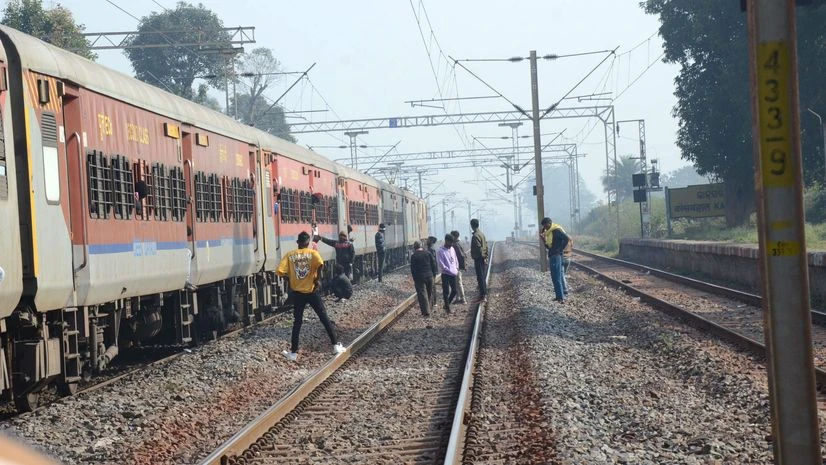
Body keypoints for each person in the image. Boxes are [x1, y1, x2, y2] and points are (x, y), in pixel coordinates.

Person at [276, 231, 346, 362]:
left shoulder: (290, 255)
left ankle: (293, 353)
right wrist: (316, 279)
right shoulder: (313, 253)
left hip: (298, 293)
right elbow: (320, 264)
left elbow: (280, 271)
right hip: (312, 291)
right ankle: (336, 345)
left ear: (297, 242)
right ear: (308, 243)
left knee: (297, 322)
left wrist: (289, 279)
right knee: (324, 318)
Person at [540, 218, 571, 303]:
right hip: (554, 255)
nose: (545, 227)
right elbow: (549, 247)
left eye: (545, 225)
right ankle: (559, 296)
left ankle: (560, 297)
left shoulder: (556, 230)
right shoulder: (550, 232)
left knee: (556, 276)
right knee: (557, 276)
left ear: (549, 223)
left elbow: (566, 238)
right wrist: (543, 239)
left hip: (556, 256)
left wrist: (560, 249)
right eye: (543, 226)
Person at [409, 241, 437, 317]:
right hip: (429, 276)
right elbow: (433, 265)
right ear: (421, 246)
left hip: (420, 278)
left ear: (414, 248)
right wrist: (434, 275)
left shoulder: (414, 256)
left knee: (423, 295)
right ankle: (430, 309)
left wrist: (415, 279)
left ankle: (426, 312)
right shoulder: (428, 253)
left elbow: (413, 269)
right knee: (429, 293)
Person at [436, 234, 459, 313]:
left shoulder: (452, 249)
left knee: (454, 291)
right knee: (446, 292)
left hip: (453, 273)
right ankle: (448, 309)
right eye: (450, 242)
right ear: (446, 241)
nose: (451, 244)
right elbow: (441, 264)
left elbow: (455, 259)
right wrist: (448, 270)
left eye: (452, 242)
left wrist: (456, 268)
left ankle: (446, 305)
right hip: (445, 274)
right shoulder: (440, 251)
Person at [470, 219, 489, 300]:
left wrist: (482, 256)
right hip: (482, 258)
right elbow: (486, 246)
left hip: (479, 258)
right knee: (482, 276)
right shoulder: (481, 234)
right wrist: (486, 256)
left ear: (472, 226)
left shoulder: (475, 236)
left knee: (480, 277)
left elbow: (479, 248)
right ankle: (484, 293)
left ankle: (483, 295)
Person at [450, 230, 467, 304]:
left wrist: (460, 266)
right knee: (456, 282)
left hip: (456, 267)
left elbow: (461, 256)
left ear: (454, 237)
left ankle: (463, 299)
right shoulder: (458, 243)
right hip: (456, 266)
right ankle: (458, 297)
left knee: (458, 282)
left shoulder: (455, 245)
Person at [426, 236, 439, 308]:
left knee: (432, 287)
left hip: (431, 271)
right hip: (430, 270)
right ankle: (432, 302)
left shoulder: (431, 250)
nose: (427, 241)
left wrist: (435, 271)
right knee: (431, 287)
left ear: (431, 242)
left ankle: (434, 302)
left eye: (428, 240)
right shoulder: (430, 249)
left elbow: (434, 262)